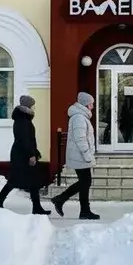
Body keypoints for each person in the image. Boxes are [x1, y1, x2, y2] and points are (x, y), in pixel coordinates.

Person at [0, 95, 51, 215]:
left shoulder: (23, 118)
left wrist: (35, 152)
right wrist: (31, 155)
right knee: (14, 180)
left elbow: (27, 139)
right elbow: (23, 139)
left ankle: (37, 207)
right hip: (21, 155)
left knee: (33, 181)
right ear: (28, 106)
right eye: (33, 106)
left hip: (23, 153)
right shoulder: (22, 120)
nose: (34, 108)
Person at [51, 92, 100, 220]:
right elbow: (80, 139)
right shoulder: (79, 117)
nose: (92, 106)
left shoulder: (81, 116)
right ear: (85, 104)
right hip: (80, 156)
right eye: (91, 104)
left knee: (85, 182)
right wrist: (87, 155)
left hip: (80, 155)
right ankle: (61, 199)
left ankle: (82, 209)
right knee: (85, 181)